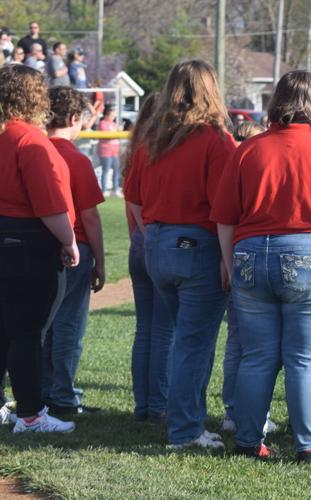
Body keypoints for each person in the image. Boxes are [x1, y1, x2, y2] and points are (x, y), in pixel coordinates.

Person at [211, 70, 311, 464]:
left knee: (256, 356)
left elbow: (225, 217)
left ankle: (248, 440)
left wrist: (229, 263)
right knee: (307, 359)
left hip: (251, 254)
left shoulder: (248, 150)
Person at [124, 60, 236, 450]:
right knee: (193, 343)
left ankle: (187, 419)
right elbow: (225, 209)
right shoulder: (216, 140)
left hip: (157, 244)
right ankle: (186, 429)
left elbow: (134, 198)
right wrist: (227, 259)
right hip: (198, 246)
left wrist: (155, 235)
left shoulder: (152, 140)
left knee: (184, 339)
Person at [0, 64, 79, 433]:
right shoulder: (29, 140)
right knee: (27, 332)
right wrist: (68, 240)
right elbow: (49, 204)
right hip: (28, 241)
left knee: (6, 329)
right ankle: (30, 414)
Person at [41, 86, 106, 415]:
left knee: (43, 324)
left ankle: (41, 392)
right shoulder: (76, 159)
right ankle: (63, 395)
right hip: (74, 247)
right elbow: (90, 217)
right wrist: (100, 262)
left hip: (38, 246)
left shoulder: (33, 151)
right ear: (74, 118)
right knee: (68, 326)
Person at [219, 118, 276, 437]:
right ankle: (252, 414)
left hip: (238, 259)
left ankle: (233, 411)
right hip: (251, 258)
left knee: (237, 342)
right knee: (257, 347)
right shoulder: (252, 164)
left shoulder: (233, 163)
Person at [121, 93, 175, 423]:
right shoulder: (163, 149)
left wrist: (141, 235)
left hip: (140, 244)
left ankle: (144, 404)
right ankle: (158, 404)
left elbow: (132, 201)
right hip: (158, 239)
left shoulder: (137, 149)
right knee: (164, 330)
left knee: (146, 330)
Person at [98, 107, 122, 197]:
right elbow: (108, 135)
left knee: (116, 171)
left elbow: (117, 136)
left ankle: (115, 189)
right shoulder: (102, 123)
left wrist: (118, 132)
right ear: (106, 115)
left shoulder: (114, 124)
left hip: (115, 151)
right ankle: (104, 190)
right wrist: (117, 132)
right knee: (106, 170)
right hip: (106, 151)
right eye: (112, 115)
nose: (113, 117)